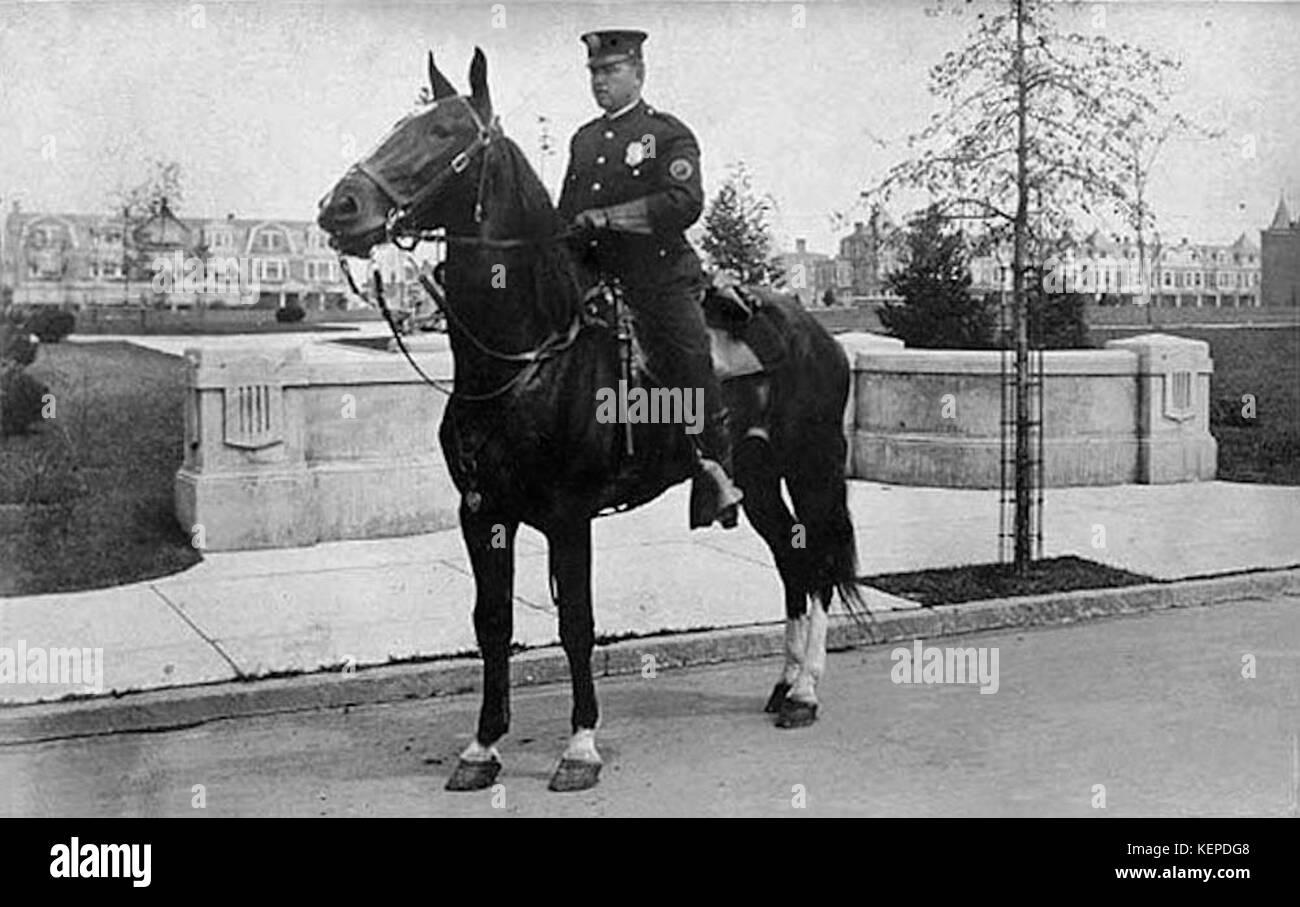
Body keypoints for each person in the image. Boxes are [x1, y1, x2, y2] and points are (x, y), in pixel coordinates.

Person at [557, 29, 743, 528]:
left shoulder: (666, 134)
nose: (600, 81)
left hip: (660, 279)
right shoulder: (585, 139)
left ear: (638, 73)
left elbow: (684, 203)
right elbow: (566, 217)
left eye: (610, 71)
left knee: (689, 357)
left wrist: (608, 218)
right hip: (595, 281)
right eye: (594, 72)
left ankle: (714, 466)